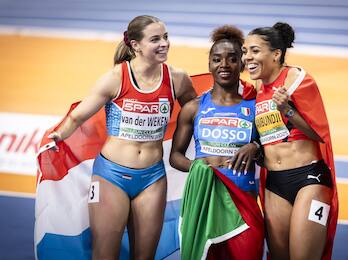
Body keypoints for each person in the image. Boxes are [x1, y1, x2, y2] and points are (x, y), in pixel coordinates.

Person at [48, 15, 196, 260]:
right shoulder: (116, 78)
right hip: (111, 176)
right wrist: (59, 135)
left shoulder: (177, 78)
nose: (165, 44)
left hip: (152, 178)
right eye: (155, 39)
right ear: (135, 45)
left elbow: (197, 114)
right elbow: (77, 117)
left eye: (166, 37)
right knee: (105, 254)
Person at [241, 22, 338, 260]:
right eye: (244, 51)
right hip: (275, 183)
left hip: (309, 179)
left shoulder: (297, 79)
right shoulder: (257, 89)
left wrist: (287, 110)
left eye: (254, 50)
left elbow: (319, 134)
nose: (247, 57)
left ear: (276, 54)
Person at [170, 25, 264, 259]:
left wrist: (256, 147)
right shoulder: (193, 108)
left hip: (243, 204)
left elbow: (272, 154)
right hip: (205, 202)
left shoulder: (255, 108)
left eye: (232, 59)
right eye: (217, 59)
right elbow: (175, 156)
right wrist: (199, 165)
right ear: (209, 64)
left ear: (242, 64)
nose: (224, 65)